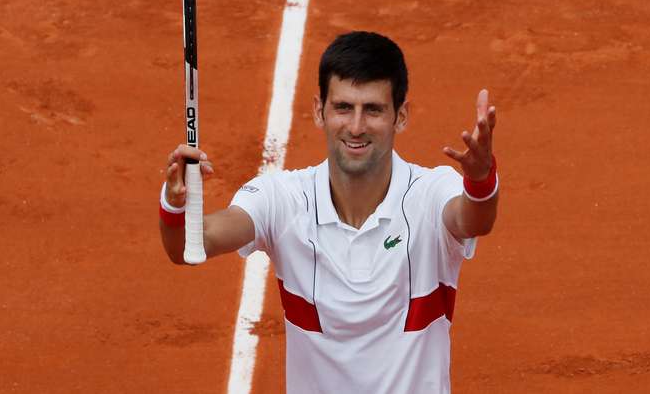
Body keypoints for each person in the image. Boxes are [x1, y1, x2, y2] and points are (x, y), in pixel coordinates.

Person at [159, 31, 499, 393]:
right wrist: (176, 203)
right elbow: (191, 244)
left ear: (401, 116)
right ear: (318, 111)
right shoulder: (282, 199)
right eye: (343, 108)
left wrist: (480, 179)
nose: (355, 127)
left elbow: (474, 218)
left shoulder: (431, 193)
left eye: (373, 109)